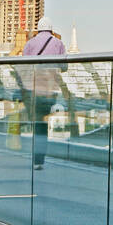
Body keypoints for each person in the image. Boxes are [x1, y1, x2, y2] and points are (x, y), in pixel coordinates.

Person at [22, 17, 66, 171]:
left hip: (33, 89)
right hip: (50, 90)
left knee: (37, 125)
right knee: (43, 125)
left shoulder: (30, 43)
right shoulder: (58, 43)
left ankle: (36, 158)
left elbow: (23, 66)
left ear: (38, 29)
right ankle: (39, 160)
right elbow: (64, 66)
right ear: (51, 29)